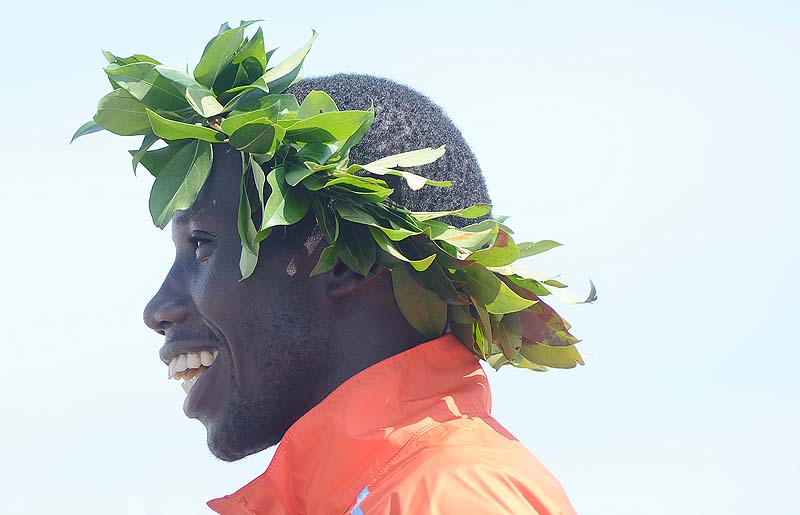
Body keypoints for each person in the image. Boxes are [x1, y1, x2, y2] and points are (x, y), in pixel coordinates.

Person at [75, 23, 591, 513]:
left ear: (339, 260)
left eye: (203, 245)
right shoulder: (394, 490)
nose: (158, 310)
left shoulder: (447, 495)